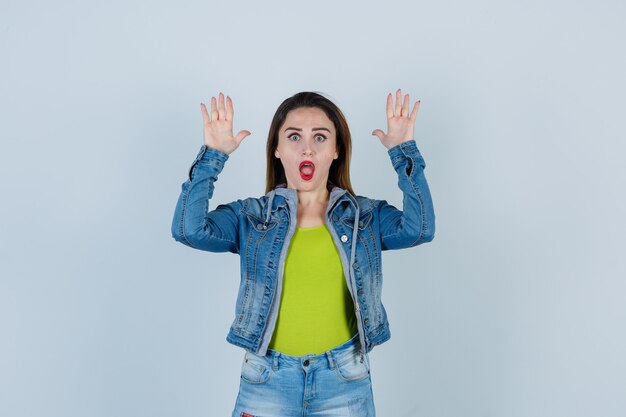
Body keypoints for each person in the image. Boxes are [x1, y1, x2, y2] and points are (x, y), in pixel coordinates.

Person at [171, 89, 435, 416]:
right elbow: (188, 229)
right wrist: (213, 156)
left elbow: (419, 228)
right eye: (294, 136)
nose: (307, 147)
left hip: (343, 377)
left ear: (336, 150)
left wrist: (401, 151)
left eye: (320, 137)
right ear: (278, 150)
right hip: (267, 377)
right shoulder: (251, 218)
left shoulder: (364, 218)